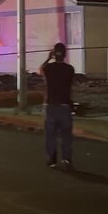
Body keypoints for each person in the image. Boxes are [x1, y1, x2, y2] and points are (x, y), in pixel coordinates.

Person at [40, 42, 75, 170]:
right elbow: (70, 85)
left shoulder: (48, 68)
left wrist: (49, 57)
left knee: (51, 135)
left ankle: (52, 159)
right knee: (66, 135)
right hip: (65, 105)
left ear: (54, 54)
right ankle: (66, 159)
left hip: (51, 106)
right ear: (65, 55)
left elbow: (41, 69)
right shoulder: (70, 69)